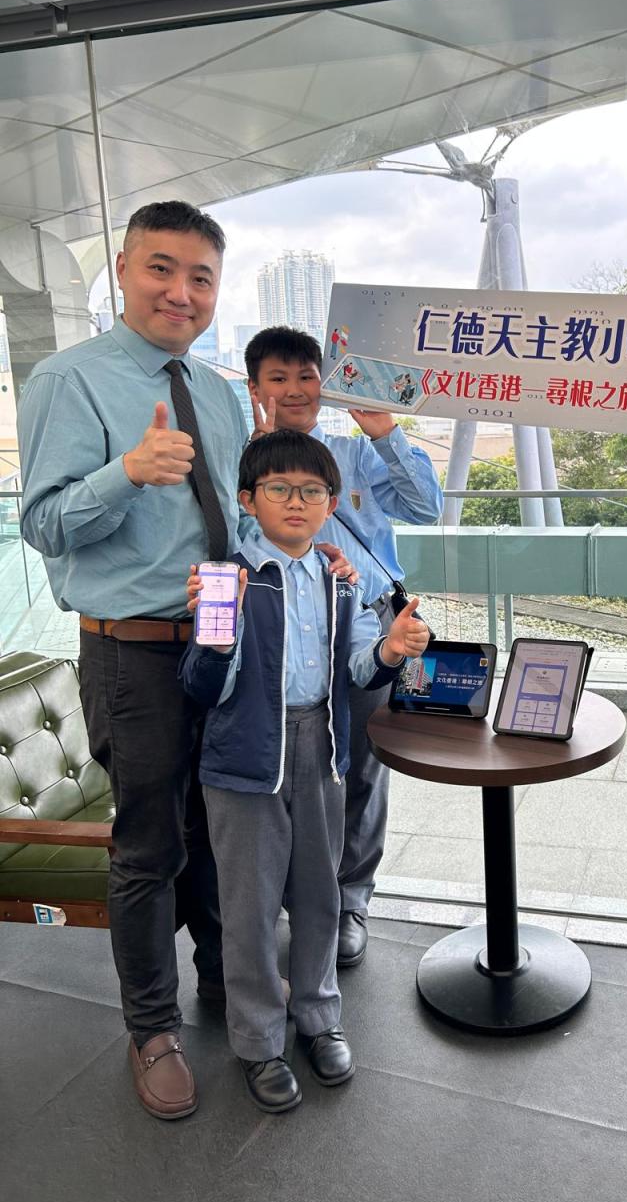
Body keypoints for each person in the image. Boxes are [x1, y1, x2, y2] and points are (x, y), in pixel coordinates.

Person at [15, 200, 354, 1120]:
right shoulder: (68, 380)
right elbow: (41, 523)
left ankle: (228, 984)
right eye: (161, 269)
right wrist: (125, 472)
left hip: (230, 644)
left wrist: (302, 555)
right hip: (135, 654)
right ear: (125, 272)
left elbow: (240, 521)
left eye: (201, 277)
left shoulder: (213, 388)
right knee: (152, 846)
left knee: (223, 830)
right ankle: (153, 1028)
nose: (181, 291)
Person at [180, 430, 430, 1113]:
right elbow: (201, 687)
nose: (297, 501)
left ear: (330, 503)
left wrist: (390, 649)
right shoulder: (227, 579)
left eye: (312, 490)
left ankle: (320, 1016)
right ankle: (259, 1041)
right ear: (248, 500)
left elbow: (357, 671)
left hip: (322, 748)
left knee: (320, 894)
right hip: (244, 760)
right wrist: (216, 636)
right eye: (280, 489)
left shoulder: (337, 578)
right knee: (251, 908)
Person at [245, 326, 443, 968]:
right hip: (276, 629)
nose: (295, 390)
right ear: (255, 388)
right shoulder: (244, 464)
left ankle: (350, 901)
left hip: (367, 624)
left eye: (307, 376)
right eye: (278, 378)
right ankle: (297, 900)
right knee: (283, 770)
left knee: (361, 766)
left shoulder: (355, 454)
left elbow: (425, 506)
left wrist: (386, 432)